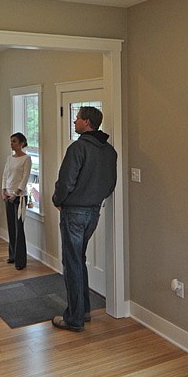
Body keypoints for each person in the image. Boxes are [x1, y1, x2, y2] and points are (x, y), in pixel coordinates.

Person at [51, 106, 117, 332]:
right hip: (93, 212)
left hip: (74, 212)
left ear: (87, 122)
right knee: (79, 258)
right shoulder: (109, 151)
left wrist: (57, 199)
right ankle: (84, 310)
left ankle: (74, 318)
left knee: (72, 263)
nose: (74, 121)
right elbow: (110, 185)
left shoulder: (78, 148)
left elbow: (66, 181)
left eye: (77, 118)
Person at [1, 132, 32, 271]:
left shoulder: (26, 159)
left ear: (21, 144)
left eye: (14, 141)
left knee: (19, 228)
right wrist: (3, 191)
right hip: (7, 196)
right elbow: (5, 175)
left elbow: (25, 179)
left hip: (19, 198)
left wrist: (16, 194)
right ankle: (12, 255)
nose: (11, 143)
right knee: (11, 226)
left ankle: (20, 260)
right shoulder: (9, 158)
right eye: (11, 141)